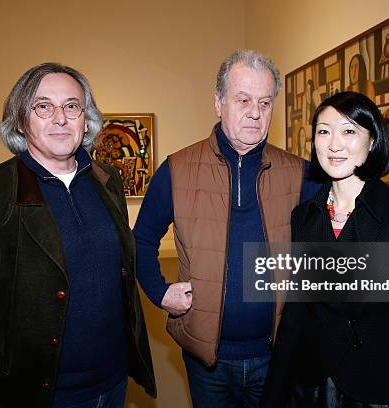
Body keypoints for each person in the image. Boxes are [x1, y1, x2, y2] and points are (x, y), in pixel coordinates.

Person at [0, 62, 156, 408]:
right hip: (45, 393)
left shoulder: (106, 180)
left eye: (72, 106)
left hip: (113, 380)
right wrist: (11, 360)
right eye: (43, 106)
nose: (60, 118)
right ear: (21, 121)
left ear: (86, 118)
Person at [134, 50, 320, 408]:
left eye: (265, 102)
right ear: (218, 102)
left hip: (276, 358)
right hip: (207, 361)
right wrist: (160, 293)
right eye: (244, 100)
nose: (255, 112)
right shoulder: (177, 170)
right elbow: (140, 240)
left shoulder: (301, 173)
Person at [260, 91, 389, 407]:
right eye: (324, 131)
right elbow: (295, 313)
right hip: (314, 387)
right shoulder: (304, 216)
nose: (334, 144)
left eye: (349, 131)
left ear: (372, 140)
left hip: (379, 387)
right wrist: (272, 397)